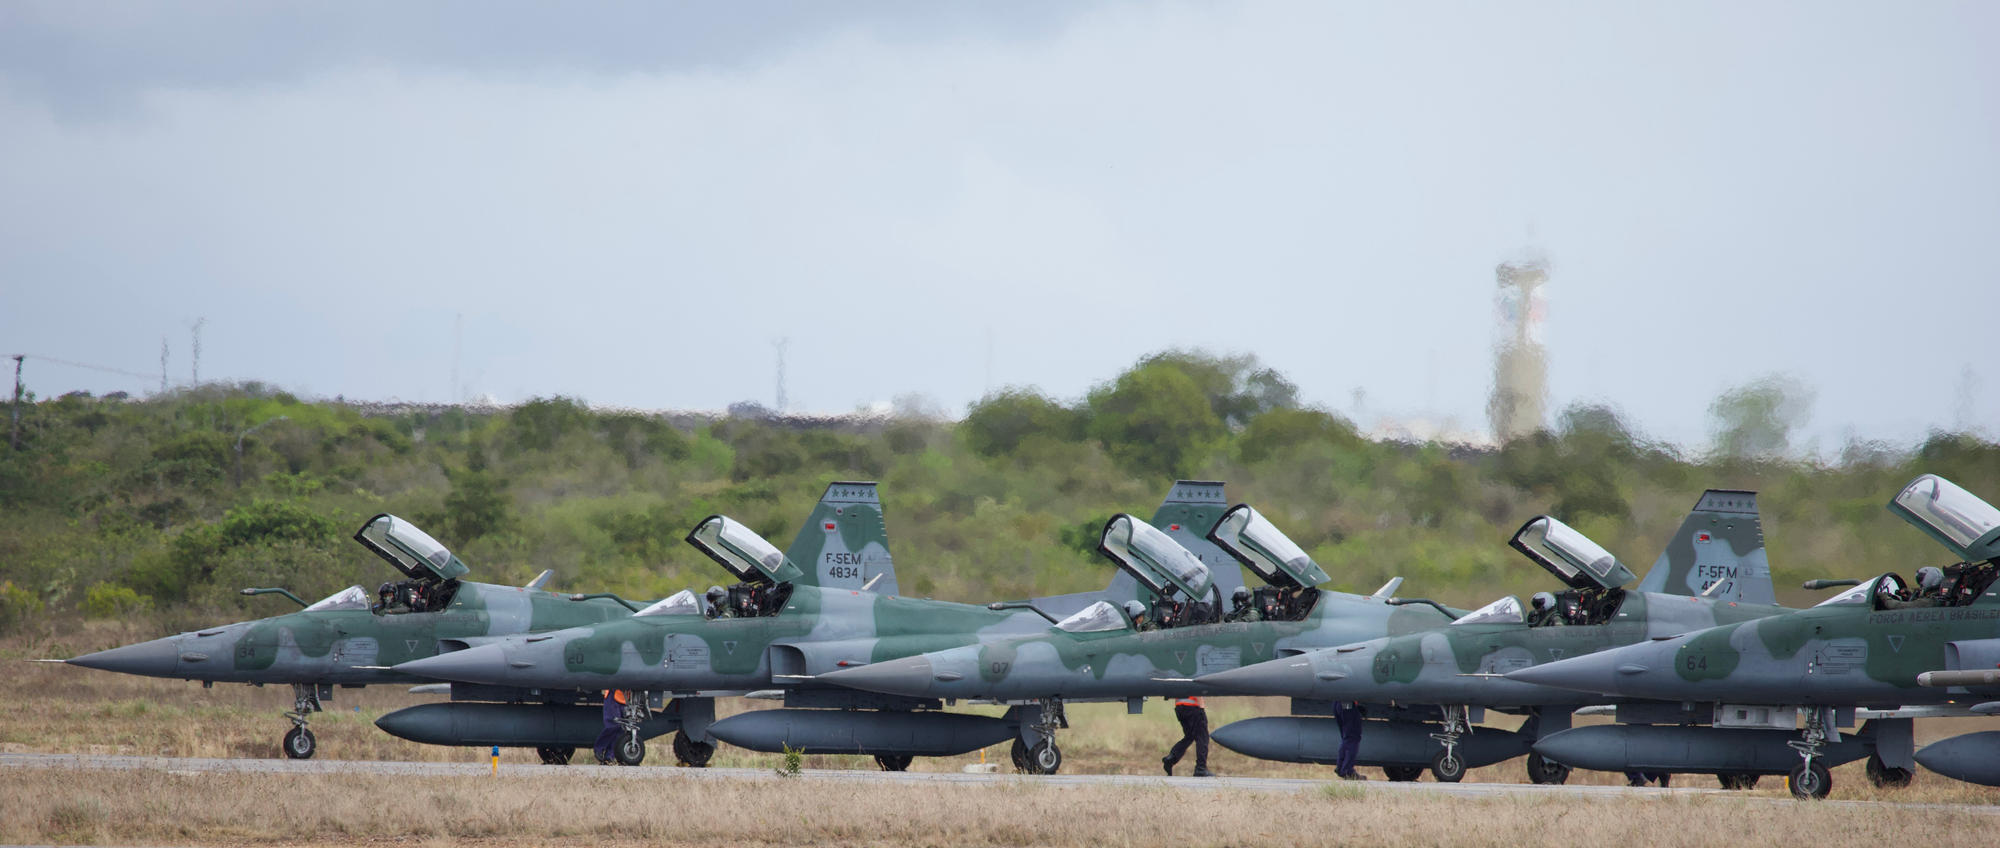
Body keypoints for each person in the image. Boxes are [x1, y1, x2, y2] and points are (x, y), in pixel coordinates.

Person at [1162, 694, 1212, 777]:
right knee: (1202, 738)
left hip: (1180, 708)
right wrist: (1201, 707)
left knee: (1189, 736)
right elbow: (1196, 688)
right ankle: (1201, 768)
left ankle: (1171, 758)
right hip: (1193, 707)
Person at [593, 689, 629, 764]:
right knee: (613, 725)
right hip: (613, 696)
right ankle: (599, 748)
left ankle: (609, 757)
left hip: (625, 698)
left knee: (621, 729)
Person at [1333, 700, 1365, 780]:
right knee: (1353, 737)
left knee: (1346, 737)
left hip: (1337, 703)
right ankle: (1347, 771)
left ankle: (1341, 767)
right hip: (1347, 703)